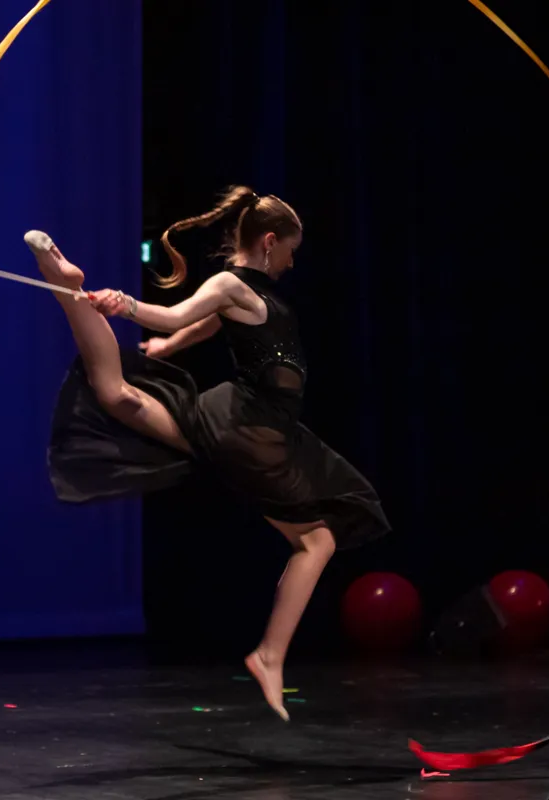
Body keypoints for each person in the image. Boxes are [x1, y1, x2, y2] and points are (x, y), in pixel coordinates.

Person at [24, 185, 390, 721]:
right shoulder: (230, 283)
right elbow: (179, 315)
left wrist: (169, 349)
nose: (293, 260)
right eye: (292, 249)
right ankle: (269, 656)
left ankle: (66, 288)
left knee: (119, 395)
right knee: (317, 540)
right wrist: (127, 306)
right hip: (251, 430)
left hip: (246, 429)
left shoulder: (250, 293)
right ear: (269, 242)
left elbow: (207, 322)